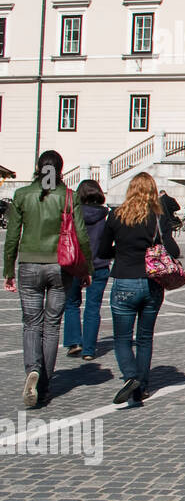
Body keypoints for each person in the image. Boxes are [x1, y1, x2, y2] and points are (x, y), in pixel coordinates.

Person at [3, 150, 92, 408]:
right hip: (60, 267)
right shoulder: (68, 196)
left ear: (38, 167)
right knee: (52, 325)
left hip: (29, 264)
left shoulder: (22, 195)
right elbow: (82, 236)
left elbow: (11, 238)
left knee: (31, 323)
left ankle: (33, 369)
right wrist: (86, 269)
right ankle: (44, 385)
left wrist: (9, 270)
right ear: (60, 169)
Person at [99, 171, 181, 405]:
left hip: (124, 279)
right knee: (145, 338)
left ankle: (131, 376)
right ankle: (141, 387)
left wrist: (123, 252)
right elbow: (173, 250)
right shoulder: (157, 217)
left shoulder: (115, 215)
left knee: (122, 338)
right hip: (152, 282)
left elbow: (103, 251)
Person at [63, 180, 112, 361]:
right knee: (93, 307)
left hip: (75, 264)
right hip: (99, 265)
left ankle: (74, 342)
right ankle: (89, 350)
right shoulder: (105, 215)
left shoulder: (73, 214)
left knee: (71, 303)